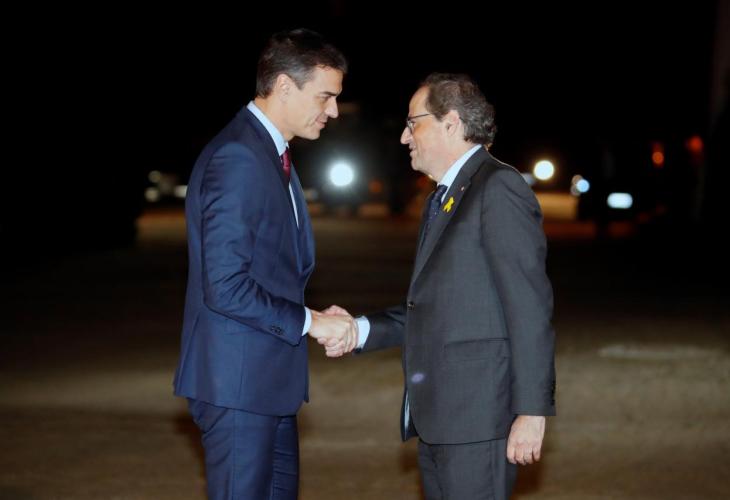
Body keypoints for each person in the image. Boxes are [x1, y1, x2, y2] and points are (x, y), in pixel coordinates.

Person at [326, 73, 556, 499]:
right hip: (440, 420)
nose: (404, 137)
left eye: (413, 123)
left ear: (451, 123)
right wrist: (358, 330)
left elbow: (529, 307)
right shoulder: (445, 197)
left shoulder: (497, 188)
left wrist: (531, 411)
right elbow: (430, 306)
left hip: (479, 421)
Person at [173, 29, 357, 500]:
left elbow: (271, 271)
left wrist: (313, 315)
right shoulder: (239, 156)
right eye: (326, 96)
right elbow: (225, 285)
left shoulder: (270, 153)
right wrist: (310, 322)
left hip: (267, 385)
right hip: (238, 386)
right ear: (284, 86)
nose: (333, 110)